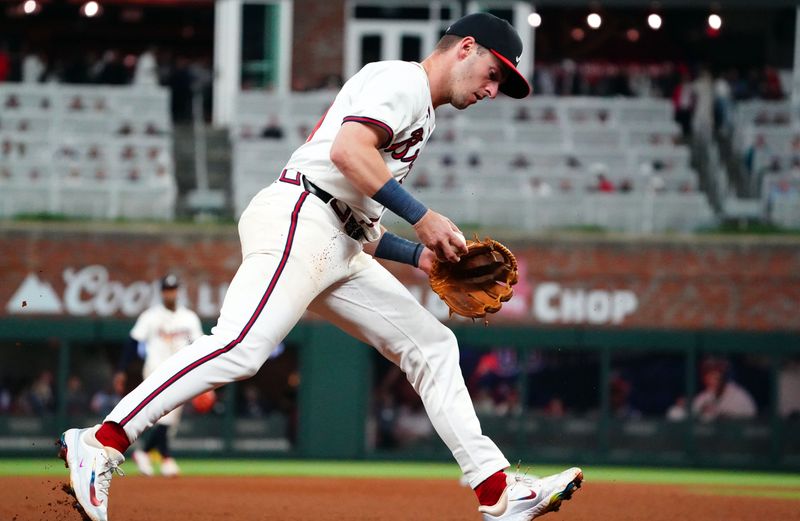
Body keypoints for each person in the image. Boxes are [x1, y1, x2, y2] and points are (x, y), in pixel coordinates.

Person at [57, 13, 582, 521]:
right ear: (466, 47)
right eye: (495, 74)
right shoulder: (403, 80)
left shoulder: (423, 112)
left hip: (338, 241)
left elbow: (362, 225)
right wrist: (422, 219)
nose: (493, 91)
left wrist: (419, 256)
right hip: (300, 217)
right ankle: (102, 442)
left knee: (432, 345)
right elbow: (348, 154)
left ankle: (496, 491)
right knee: (241, 346)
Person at [113, 274, 204, 477]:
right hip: (156, 370)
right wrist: (121, 370)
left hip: (181, 372)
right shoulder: (150, 316)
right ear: (162, 292)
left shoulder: (189, 317)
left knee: (167, 419)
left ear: (177, 291)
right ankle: (165, 458)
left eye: (173, 289)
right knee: (165, 415)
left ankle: (152, 455)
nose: (171, 293)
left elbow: (199, 347)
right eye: (167, 289)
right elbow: (133, 343)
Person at [691, 358, 757, 422]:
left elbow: (750, 415)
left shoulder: (739, 395)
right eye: (709, 373)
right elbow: (693, 413)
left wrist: (725, 416)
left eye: (716, 373)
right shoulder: (703, 397)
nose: (712, 378)